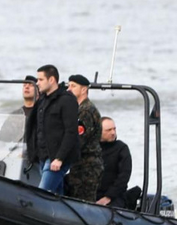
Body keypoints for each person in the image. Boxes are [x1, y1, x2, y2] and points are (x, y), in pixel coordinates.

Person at [24, 65, 80, 195]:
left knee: (42, 193)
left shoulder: (67, 100)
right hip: (42, 156)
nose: (37, 83)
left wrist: (59, 158)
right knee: (56, 195)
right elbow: (35, 127)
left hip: (56, 157)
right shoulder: (42, 100)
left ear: (51, 80)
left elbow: (71, 131)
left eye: (40, 79)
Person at [65, 74, 104, 202]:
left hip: (87, 167)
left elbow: (78, 139)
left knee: (84, 202)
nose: (69, 89)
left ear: (83, 90)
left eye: (73, 86)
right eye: (68, 85)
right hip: (80, 164)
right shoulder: (78, 108)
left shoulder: (85, 111)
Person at [96, 117, 132, 208]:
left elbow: (124, 176)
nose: (113, 133)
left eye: (114, 129)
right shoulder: (91, 148)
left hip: (114, 196)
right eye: (108, 130)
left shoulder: (121, 148)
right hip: (92, 193)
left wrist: (108, 197)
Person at [0, 75, 38, 142]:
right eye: (24, 85)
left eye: (31, 85)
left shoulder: (41, 112)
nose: (27, 87)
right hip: (14, 149)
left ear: (38, 91)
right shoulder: (16, 114)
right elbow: (3, 136)